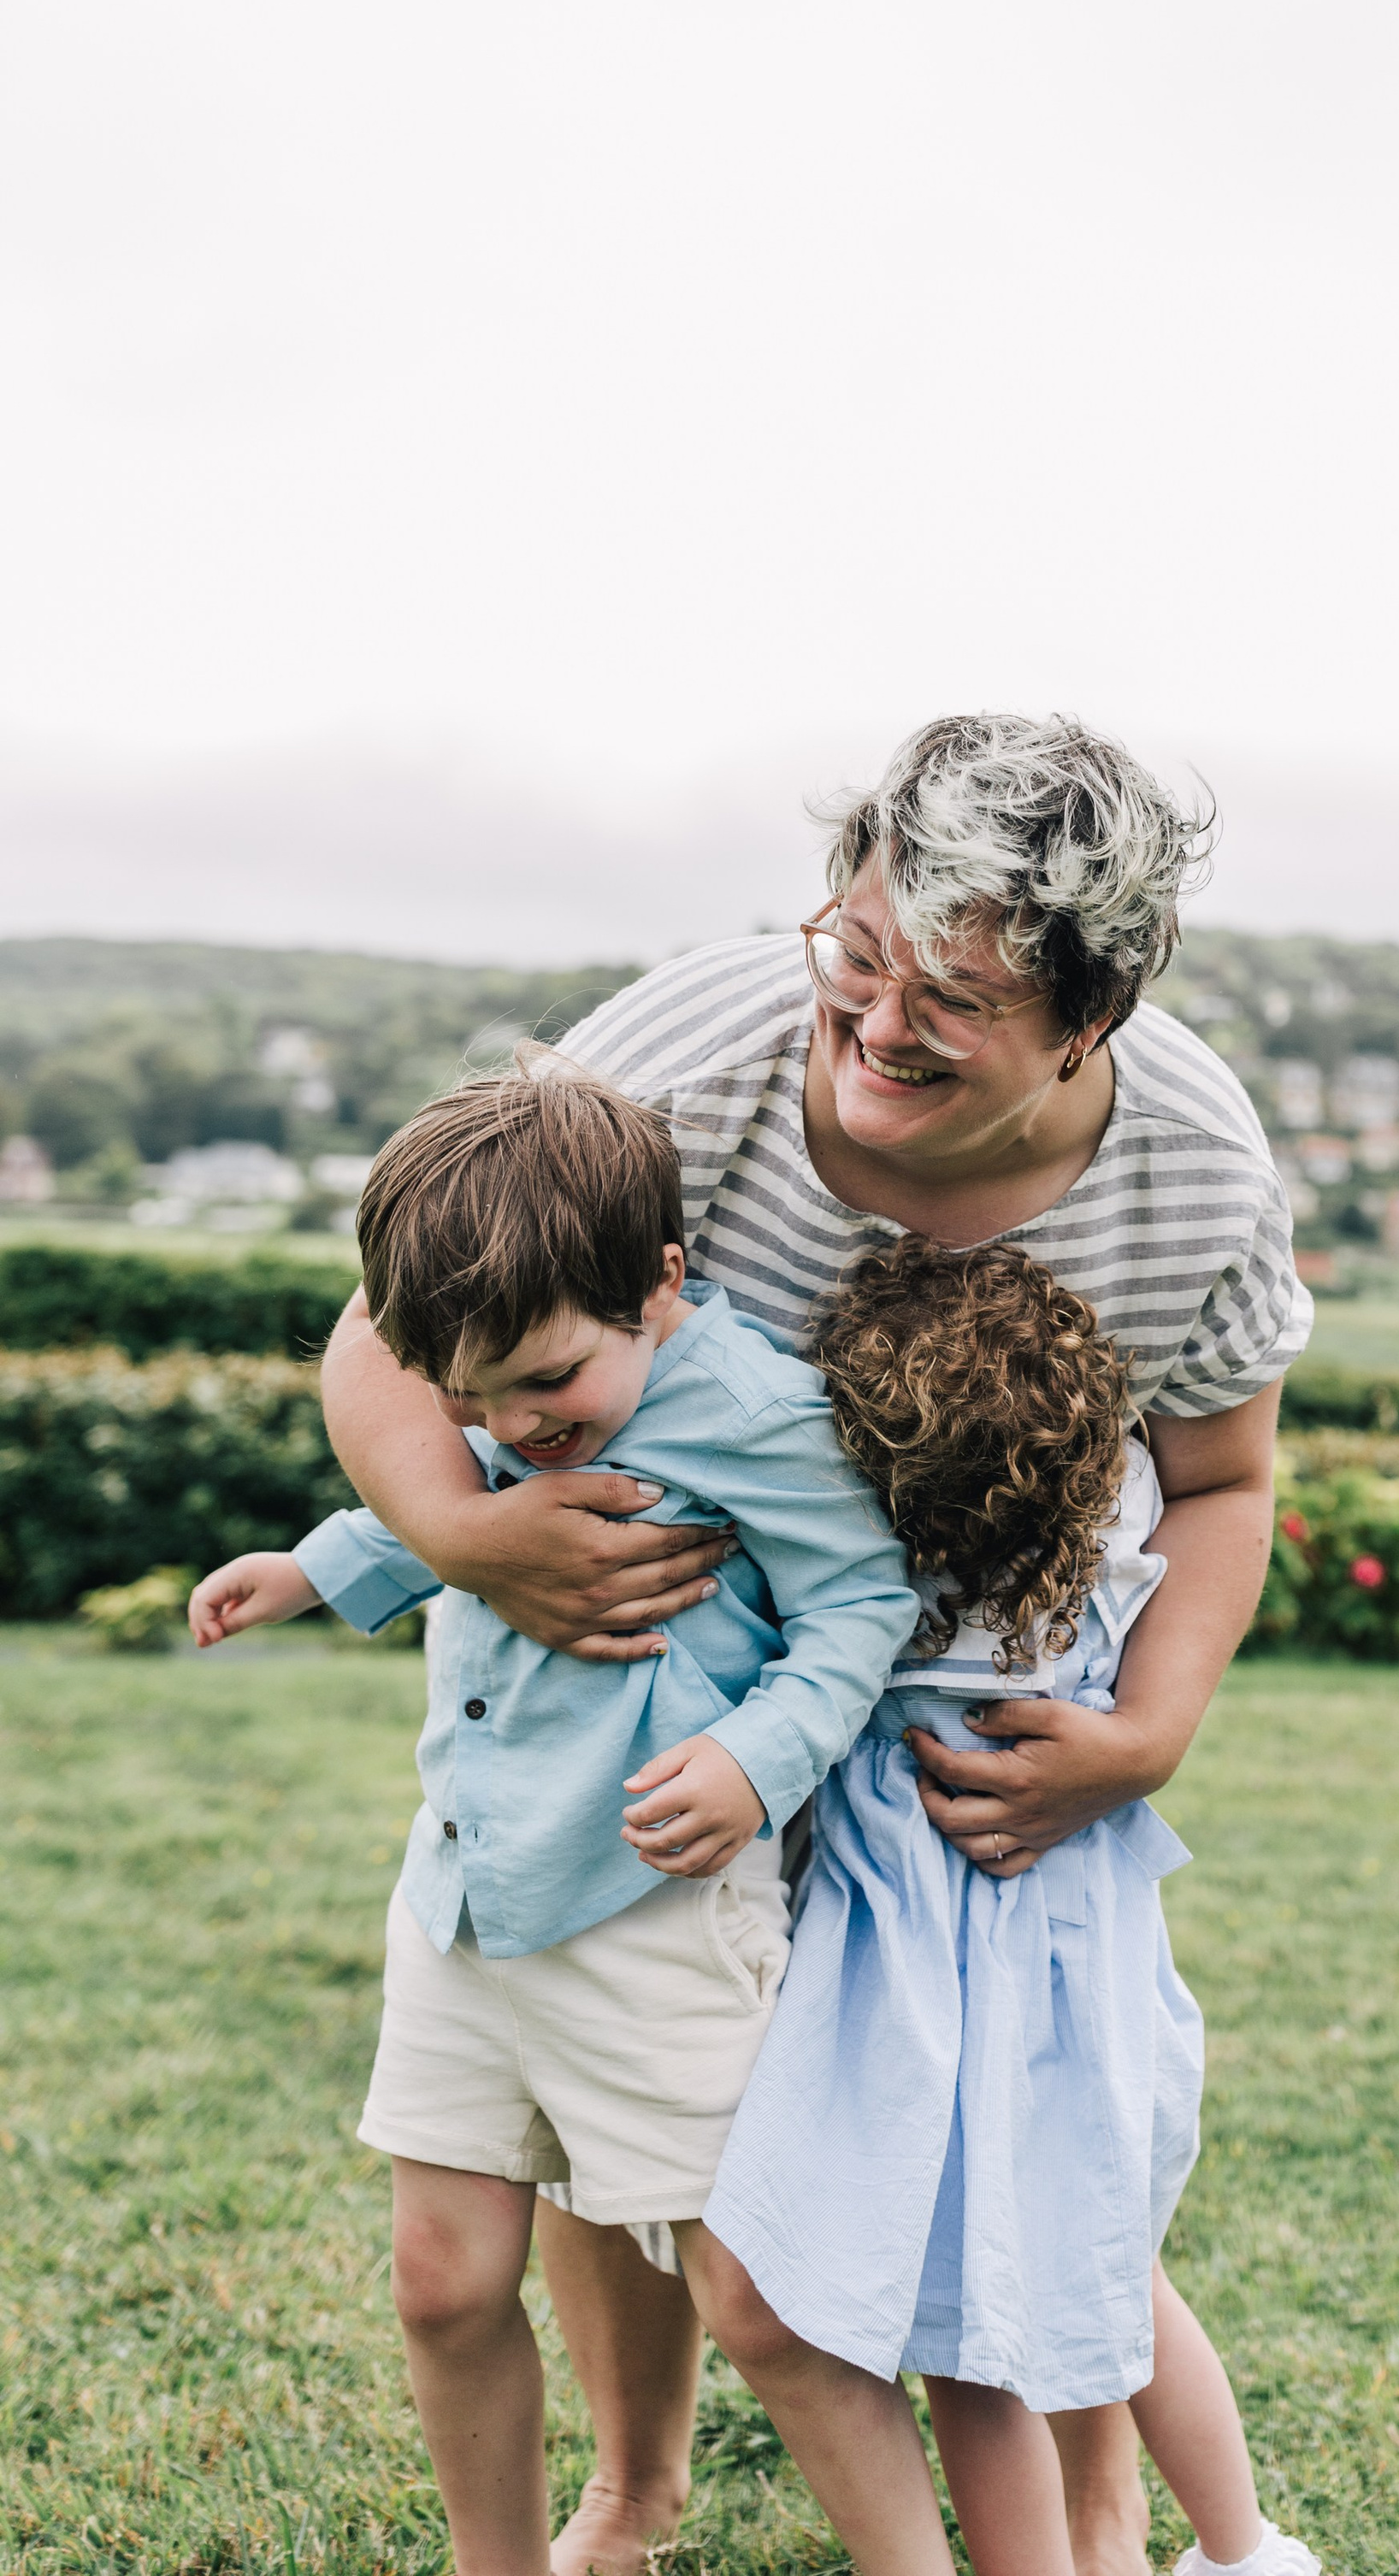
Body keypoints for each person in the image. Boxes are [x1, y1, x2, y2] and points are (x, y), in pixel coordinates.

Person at [317, 711, 1313, 2576]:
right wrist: (464, 1536)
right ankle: (634, 2482)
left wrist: (1148, 1734)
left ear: (1087, 1019)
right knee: (603, 2108)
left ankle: (1103, 2513)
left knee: (994, 2137)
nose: (873, 1020)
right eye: (853, 953)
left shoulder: (1192, 1171)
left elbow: (1226, 1481)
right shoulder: (689, 1059)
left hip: (939, 1763)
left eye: (950, 997)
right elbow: (398, 1324)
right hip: (655, 1714)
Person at [186, 1061, 918, 2576]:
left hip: (654, 1914)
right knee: (442, 2282)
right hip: (464, 1898)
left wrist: (757, 1761)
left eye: (544, 1384)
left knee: (761, 2303)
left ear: (658, 1285)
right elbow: (460, 1494)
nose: (513, 1426)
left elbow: (861, 1607)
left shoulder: (756, 1413)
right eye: (469, 1397)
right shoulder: (521, 1387)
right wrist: (323, 1568)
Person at [693, 1229, 1317, 2576]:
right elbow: (1196, 1489)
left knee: (970, 2339)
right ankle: (1246, 2549)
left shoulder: (880, 1599)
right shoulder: (1120, 1539)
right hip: (1088, 1978)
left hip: (928, 2008)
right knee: (1119, 2277)